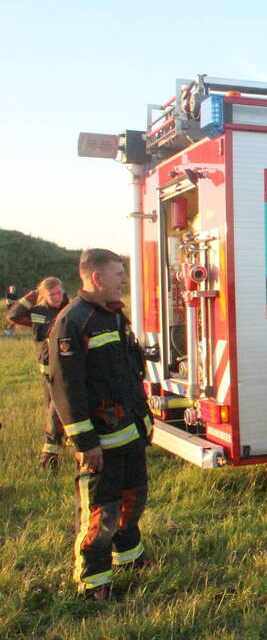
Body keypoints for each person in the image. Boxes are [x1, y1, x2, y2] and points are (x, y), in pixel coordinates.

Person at [48, 249, 154, 600]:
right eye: (118, 273)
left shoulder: (114, 317)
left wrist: (144, 420)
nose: (124, 279)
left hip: (130, 432)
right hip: (101, 443)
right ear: (96, 278)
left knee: (133, 499)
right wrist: (85, 443)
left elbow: (128, 371)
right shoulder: (72, 322)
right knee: (101, 510)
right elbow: (66, 389)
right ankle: (94, 582)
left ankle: (129, 556)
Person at [6, 277, 70, 468]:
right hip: (47, 370)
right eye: (52, 294)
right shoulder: (38, 312)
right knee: (51, 407)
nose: (57, 297)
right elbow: (14, 314)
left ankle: (50, 455)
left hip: (65, 369)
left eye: (59, 292)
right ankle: (62, 441)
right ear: (43, 295)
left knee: (56, 409)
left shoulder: (68, 309)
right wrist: (33, 295)